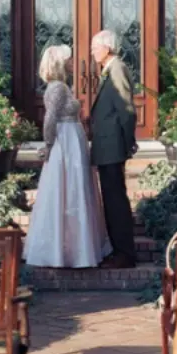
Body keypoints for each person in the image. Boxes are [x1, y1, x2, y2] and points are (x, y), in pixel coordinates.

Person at [23, 44, 112, 268]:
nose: (73, 63)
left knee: (75, 190)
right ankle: (63, 251)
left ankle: (76, 247)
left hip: (72, 141)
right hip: (65, 144)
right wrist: (49, 144)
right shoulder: (57, 88)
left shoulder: (62, 87)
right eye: (69, 60)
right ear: (60, 64)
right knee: (67, 190)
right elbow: (50, 119)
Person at [89, 30, 137, 269]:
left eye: (95, 47)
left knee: (115, 200)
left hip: (113, 147)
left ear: (106, 48)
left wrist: (127, 143)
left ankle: (124, 253)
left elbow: (126, 110)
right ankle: (119, 250)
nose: (92, 52)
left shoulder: (117, 68)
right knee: (111, 199)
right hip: (107, 146)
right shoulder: (109, 70)